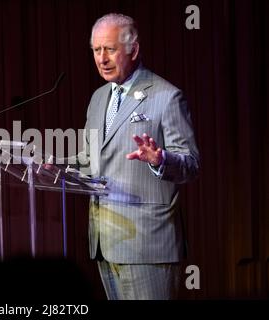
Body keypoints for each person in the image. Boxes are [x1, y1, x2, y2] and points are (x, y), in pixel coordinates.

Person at [77, 13, 200, 300]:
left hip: (148, 243)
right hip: (105, 240)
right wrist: (50, 166)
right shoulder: (97, 98)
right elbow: (89, 158)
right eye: (96, 50)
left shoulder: (167, 96)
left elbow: (191, 164)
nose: (102, 58)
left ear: (133, 49)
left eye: (110, 49)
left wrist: (160, 160)